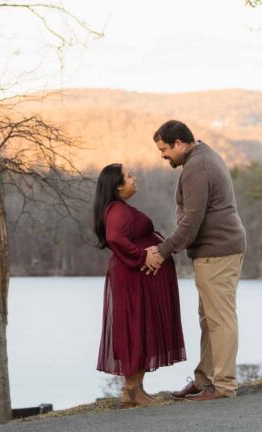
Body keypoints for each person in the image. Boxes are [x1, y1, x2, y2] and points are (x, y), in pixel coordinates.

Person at [143, 120, 246, 402]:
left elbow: (192, 221)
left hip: (218, 251)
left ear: (179, 143)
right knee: (209, 319)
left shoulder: (197, 168)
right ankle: (206, 381)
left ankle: (223, 386)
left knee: (220, 319)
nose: (162, 155)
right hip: (216, 250)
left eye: (164, 149)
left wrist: (163, 251)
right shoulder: (201, 157)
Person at [93, 162, 186, 408]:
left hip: (137, 279)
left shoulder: (120, 209)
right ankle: (133, 390)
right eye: (129, 176)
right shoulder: (117, 211)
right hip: (132, 280)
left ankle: (135, 390)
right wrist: (143, 256)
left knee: (140, 328)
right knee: (134, 328)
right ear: (118, 186)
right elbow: (115, 238)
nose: (135, 178)